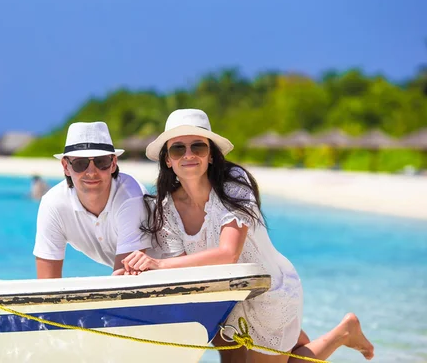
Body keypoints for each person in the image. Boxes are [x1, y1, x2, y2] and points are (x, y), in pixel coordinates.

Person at [121, 109, 374, 362]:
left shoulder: (234, 184)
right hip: (226, 300)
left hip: (268, 292)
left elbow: (228, 253)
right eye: (178, 149)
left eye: (197, 147)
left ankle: (343, 333)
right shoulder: (166, 208)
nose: (188, 155)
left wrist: (158, 264)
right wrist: (138, 272)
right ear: (167, 159)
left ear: (210, 156)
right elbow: (183, 268)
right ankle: (297, 340)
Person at [33, 121, 151, 278]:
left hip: (172, 272)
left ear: (113, 163)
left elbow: (124, 279)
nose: (91, 172)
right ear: (65, 166)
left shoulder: (130, 196)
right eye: (80, 164)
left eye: (101, 162)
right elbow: (47, 284)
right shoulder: (53, 203)